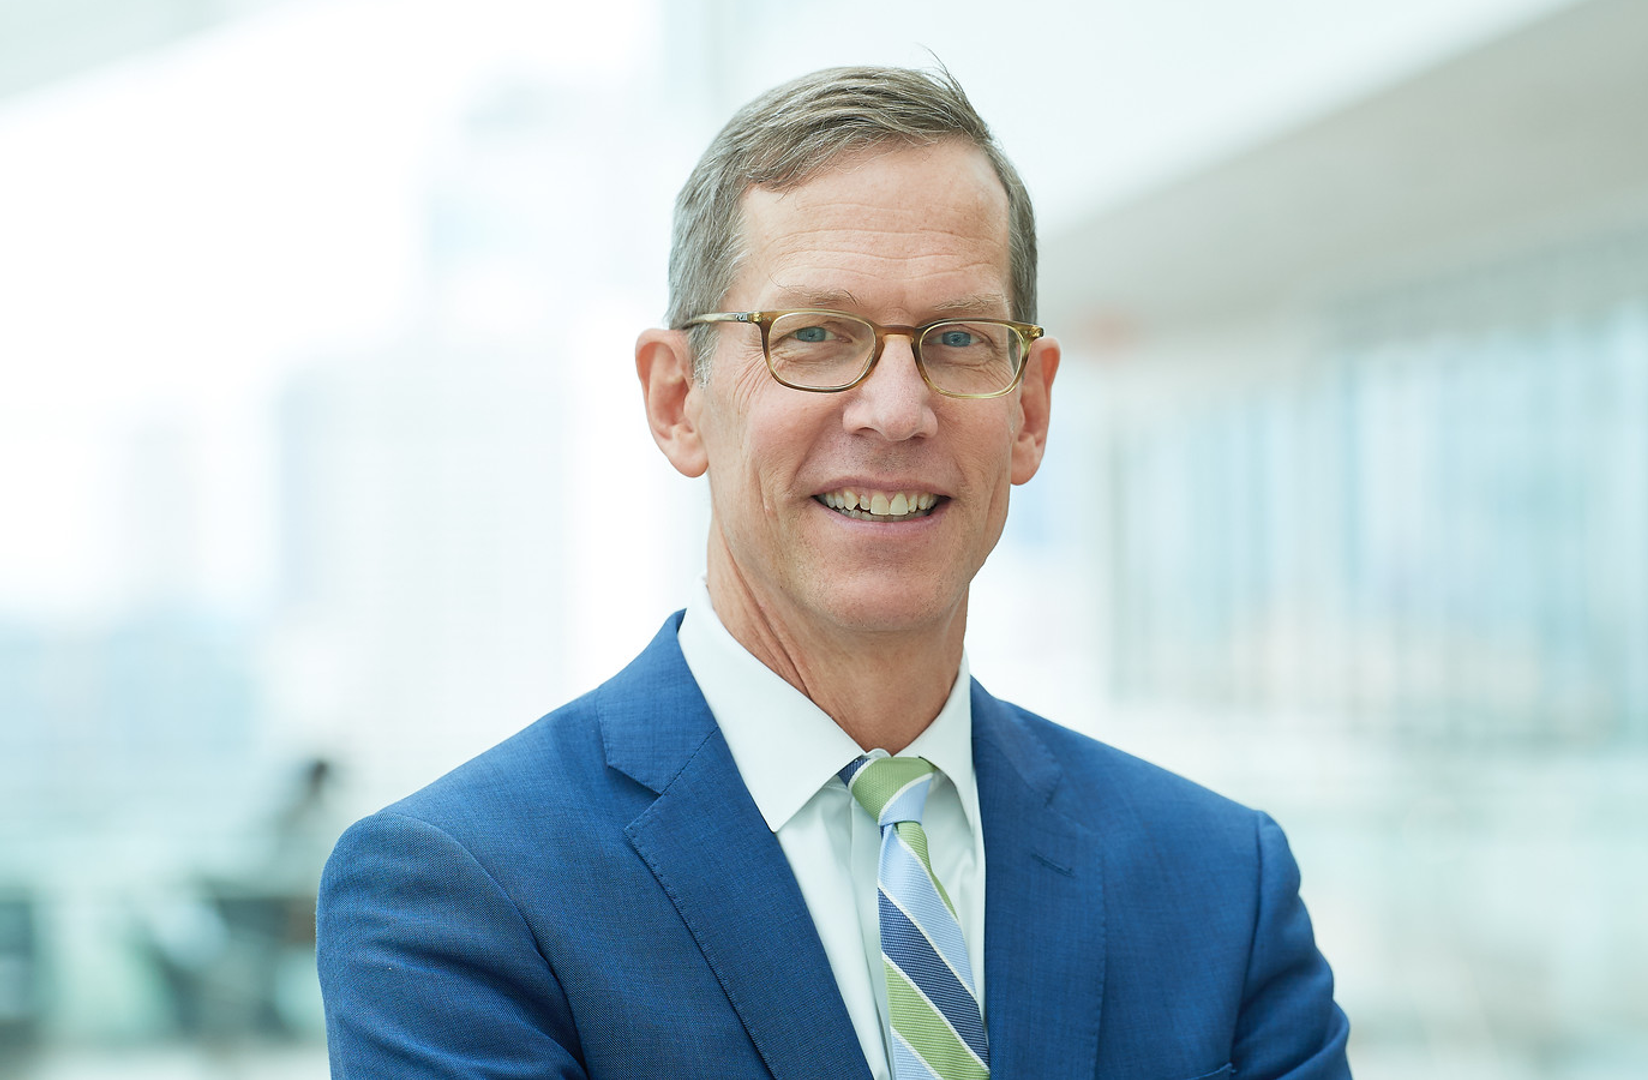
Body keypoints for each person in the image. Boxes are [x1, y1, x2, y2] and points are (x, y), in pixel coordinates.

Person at [317, 65, 1351, 1079]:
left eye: (956, 339)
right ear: (679, 401)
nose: (896, 410)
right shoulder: (463, 896)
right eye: (814, 336)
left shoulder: (1222, 890)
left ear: (1028, 413)